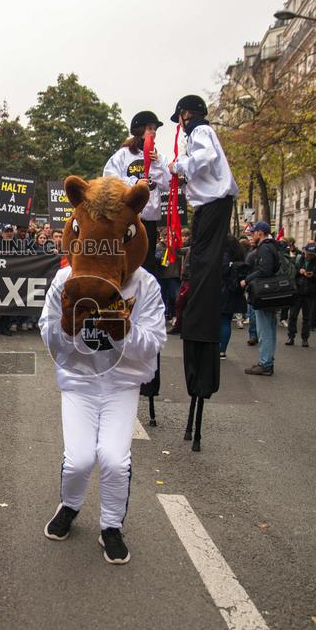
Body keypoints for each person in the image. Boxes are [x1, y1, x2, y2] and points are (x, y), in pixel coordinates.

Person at [40, 175, 166, 562]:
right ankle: (71, 504)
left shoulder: (144, 286)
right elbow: (49, 339)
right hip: (79, 382)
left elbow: (154, 342)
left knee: (112, 458)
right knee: (78, 459)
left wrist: (121, 328)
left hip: (120, 386)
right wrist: (66, 326)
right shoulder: (65, 280)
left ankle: (111, 524)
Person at [168, 95, 238, 409]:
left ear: (187, 114)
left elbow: (205, 158)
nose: (181, 125)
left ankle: (198, 307)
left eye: (181, 117)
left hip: (212, 203)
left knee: (204, 261)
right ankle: (195, 301)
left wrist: (178, 165)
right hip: (209, 204)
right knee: (199, 259)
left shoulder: (200, 133)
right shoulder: (198, 133)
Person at [103, 110, 171, 277]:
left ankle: (144, 300)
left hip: (149, 222)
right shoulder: (123, 155)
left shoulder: (159, 157)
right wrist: (134, 184)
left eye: (155, 129)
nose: (153, 132)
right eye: (150, 128)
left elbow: (168, 185)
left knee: (147, 265)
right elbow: (109, 178)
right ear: (139, 130)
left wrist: (160, 164)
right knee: (126, 261)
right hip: (128, 218)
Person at [242, 222, 279, 376]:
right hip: (271, 293)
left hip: (264, 293)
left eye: (253, 233)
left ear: (260, 233)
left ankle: (265, 363)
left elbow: (265, 270)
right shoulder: (273, 246)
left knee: (264, 329)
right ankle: (267, 360)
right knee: (269, 328)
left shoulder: (264, 248)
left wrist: (247, 279)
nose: (252, 235)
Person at [286, 244, 316, 347]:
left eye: (311, 255)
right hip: (297, 291)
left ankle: (305, 338)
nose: (309, 256)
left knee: (307, 317)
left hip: (310, 293)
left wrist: (313, 276)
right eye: (308, 254)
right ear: (305, 252)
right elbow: (291, 272)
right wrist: (299, 271)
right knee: (293, 316)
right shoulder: (298, 259)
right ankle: (291, 336)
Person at [220, 235, 247, 359]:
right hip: (235, 291)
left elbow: (222, 270)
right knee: (227, 321)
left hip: (223, 290)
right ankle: (223, 350)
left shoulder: (224, 254)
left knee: (222, 321)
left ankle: (219, 348)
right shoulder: (240, 255)